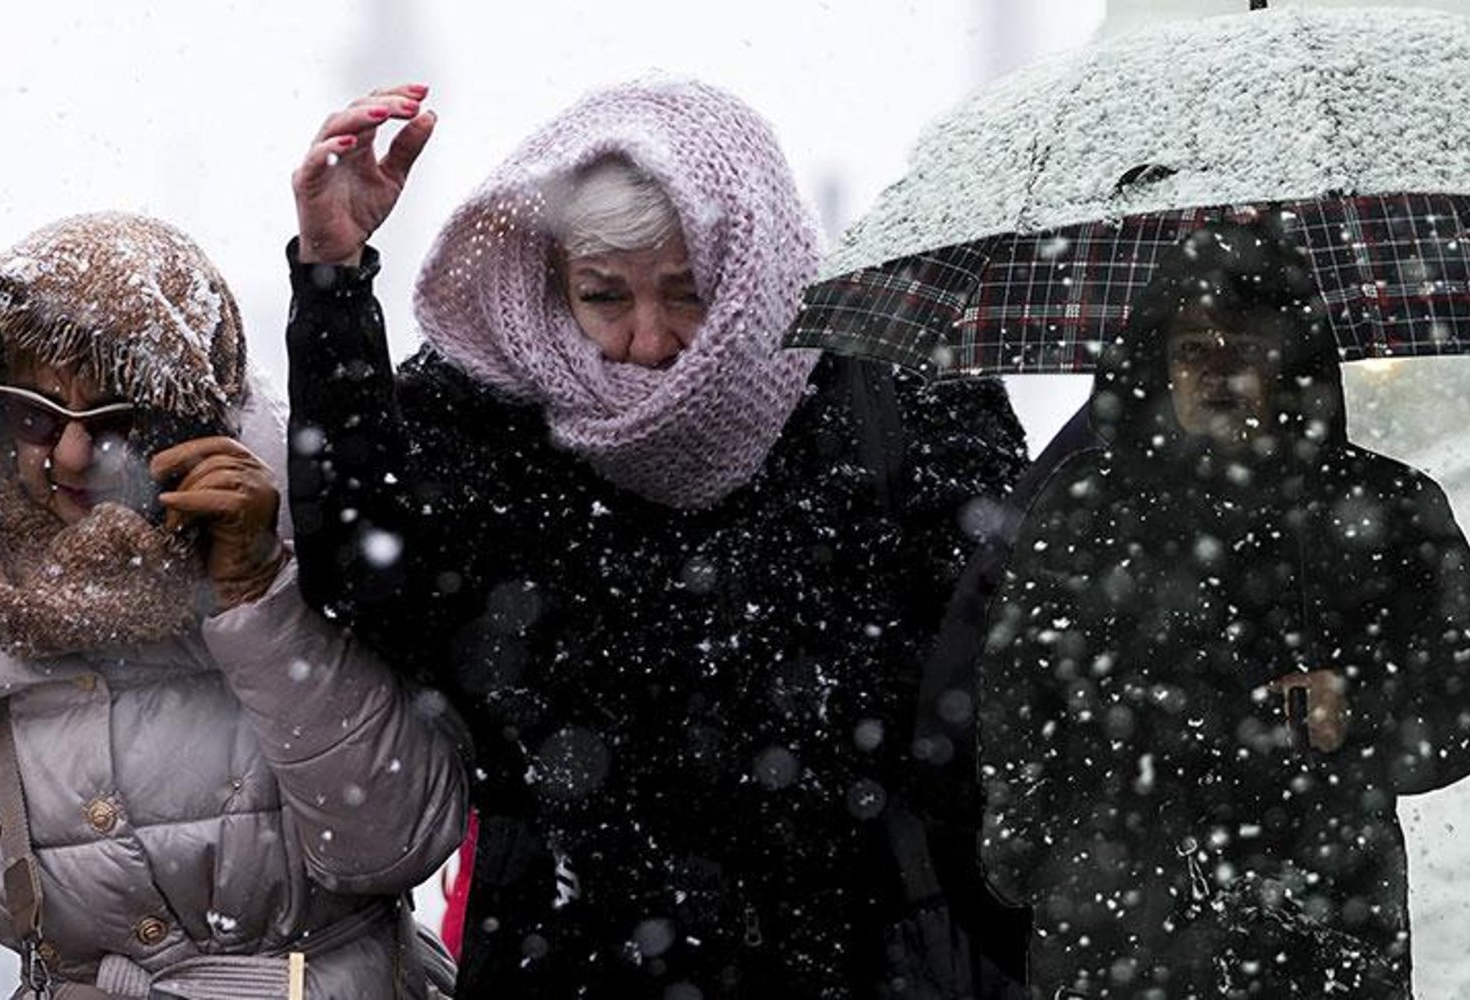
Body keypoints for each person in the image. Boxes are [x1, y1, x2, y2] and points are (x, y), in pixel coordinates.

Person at [285, 79, 1028, 996]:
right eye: (604, 297)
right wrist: (333, 280)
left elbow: (990, 660)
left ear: (756, 265)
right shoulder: (499, 402)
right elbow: (365, 575)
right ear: (555, 284)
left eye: (688, 293)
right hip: (571, 950)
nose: (649, 341)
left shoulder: (896, 388)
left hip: (852, 946)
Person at [0, 212, 467, 997]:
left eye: (115, 421)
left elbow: (390, 845)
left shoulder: (314, 553)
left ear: (192, 416)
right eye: (36, 414)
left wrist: (255, 596)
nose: (67, 453)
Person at [977, 221, 1470, 998]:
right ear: (1158, 364)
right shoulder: (1084, 507)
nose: (1216, 372)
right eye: (1192, 349)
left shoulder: (1389, 507)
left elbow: (1458, 693)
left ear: (1288, 361)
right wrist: (1031, 848)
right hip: (1117, 934)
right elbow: (1014, 690)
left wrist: (1361, 707)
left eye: (1242, 348)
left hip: (1324, 929)